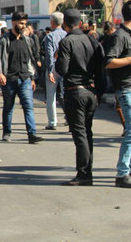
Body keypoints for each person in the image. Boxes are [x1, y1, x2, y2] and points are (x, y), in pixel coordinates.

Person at [55, 9, 104, 186]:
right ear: (80, 24)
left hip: (75, 91)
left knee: (80, 134)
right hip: (90, 91)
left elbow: (62, 69)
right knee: (87, 133)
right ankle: (87, 171)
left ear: (65, 24)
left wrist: (57, 59)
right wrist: (99, 91)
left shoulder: (66, 42)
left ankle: (84, 174)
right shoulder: (92, 41)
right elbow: (100, 69)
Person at [0, 12, 43, 144]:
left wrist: (33, 77)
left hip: (25, 79)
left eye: (24, 23)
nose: (23, 26)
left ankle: (32, 134)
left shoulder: (27, 41)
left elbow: (30, 61)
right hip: (9, 79)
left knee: (28, 106)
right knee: (8, 107)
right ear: (14, 23)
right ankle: (7, 132)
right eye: (21, 23)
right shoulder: (4, 40)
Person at [104, 0, 131, 188]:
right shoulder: (120, 36)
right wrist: (129, 59)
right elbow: (109, 62)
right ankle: (122, 173)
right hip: (126, 88)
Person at [43, 11, 66, 130]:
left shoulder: (50, 37)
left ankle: (52, 121)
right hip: (65, 68)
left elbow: (49, 54)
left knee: (51, 96)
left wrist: (49, 70)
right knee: (66, 94)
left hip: (54, 68)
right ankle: (69, 117)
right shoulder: (67, 34)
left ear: (52, 22)